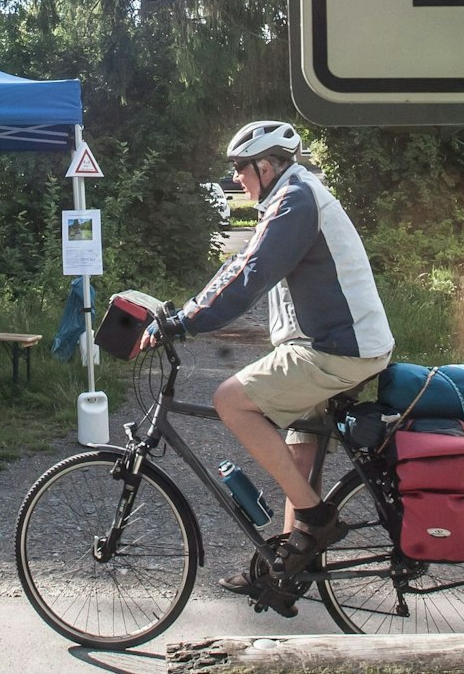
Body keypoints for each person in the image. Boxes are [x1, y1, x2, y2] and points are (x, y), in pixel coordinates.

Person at [142, 121, 394, 594]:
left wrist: (184, 323)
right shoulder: (290, 196)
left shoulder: (295, 198)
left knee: (231, 399)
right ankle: (285, 570)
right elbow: (238, 265)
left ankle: (318, 520)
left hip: (336, 350)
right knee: (297, 464)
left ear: (265, 164)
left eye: (241, 168)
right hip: (335, 346)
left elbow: (251, 275)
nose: (237, 177)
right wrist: (185, 311)